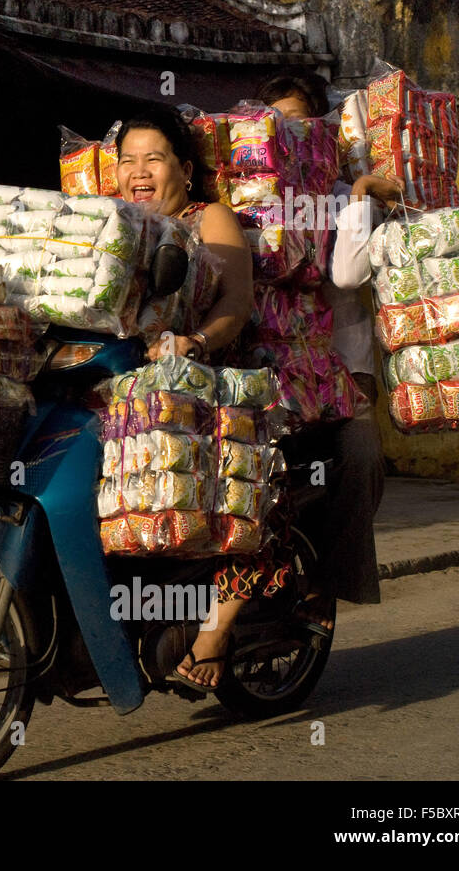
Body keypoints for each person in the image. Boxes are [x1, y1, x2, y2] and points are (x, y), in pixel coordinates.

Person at [115, 108, 274, 692]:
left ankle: (216, 628)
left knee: (236, 501)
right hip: (131, 392)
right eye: (128, 160)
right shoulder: (116, 225)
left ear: (183, 168)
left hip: (208, 386)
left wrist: (195, 342)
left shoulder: (210, 218)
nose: (139, 171)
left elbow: (236, 301)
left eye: (152, 158)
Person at [255, 72, 403, 627]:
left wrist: (362, 197)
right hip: (270, 371)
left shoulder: (343, 196)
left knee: (360, 460)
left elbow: (344, 274)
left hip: (341, 370)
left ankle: (328, 583)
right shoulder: (255, 197)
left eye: (297, 123)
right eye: (275, 125)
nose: (286, 136)